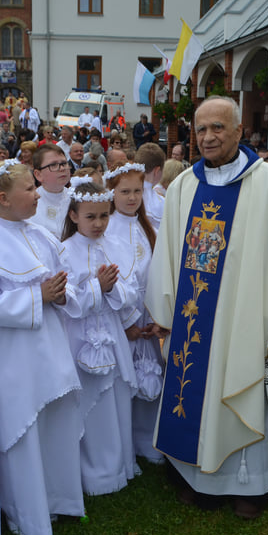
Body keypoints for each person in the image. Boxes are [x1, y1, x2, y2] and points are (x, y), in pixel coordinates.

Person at [145, 96, 268, 519]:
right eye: (201, 129)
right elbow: (167, 255)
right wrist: (165, 315)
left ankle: (250, 486)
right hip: (193, 315)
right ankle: (197, 479)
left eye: (218, 127)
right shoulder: (185, 186)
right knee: (194, 393)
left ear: (239, 131)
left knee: (244, 387)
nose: (208, 137)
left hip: (246, 314)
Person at [0, 160, 85, 535]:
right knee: (23, 429)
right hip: (12, 354)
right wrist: (37, 296)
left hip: (50, 346)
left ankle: (57, 498)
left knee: (53, 424)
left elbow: (66, 282)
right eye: (30, 188)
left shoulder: (41, 235)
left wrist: (61, 294)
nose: (37, 194)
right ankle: (25, 510)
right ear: (3, 199)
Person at [60, 178, 139, 495]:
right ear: (74, 216)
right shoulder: (64, 251)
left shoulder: (116, 245)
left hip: (110, 330)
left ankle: (115, 467)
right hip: (78, 336)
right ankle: (88, 472)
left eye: (104, 216)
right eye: (90, 217)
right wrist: (97, 288)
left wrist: (112, 288)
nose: (98, 223)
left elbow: (130, 293)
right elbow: (66, 300)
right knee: (86, 403)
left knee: (114, 397)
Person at [104, 162, 164, 464]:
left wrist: (156, 316)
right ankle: (123, 442)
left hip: (148, 312)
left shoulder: (149, 225)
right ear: (111, 193)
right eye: (124, 191)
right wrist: (127, 321)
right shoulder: (108, 228)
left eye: (137, 191)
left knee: (150, 373)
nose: (131, 198)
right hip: (122, 315)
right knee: (123, 377)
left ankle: (148, 440)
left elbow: (158, 272)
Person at [29, 144, 72, 238]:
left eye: (64, 163)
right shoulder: (29, 203)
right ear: (38, 174)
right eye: (53, 165)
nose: (62, 168)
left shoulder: (76, 198)